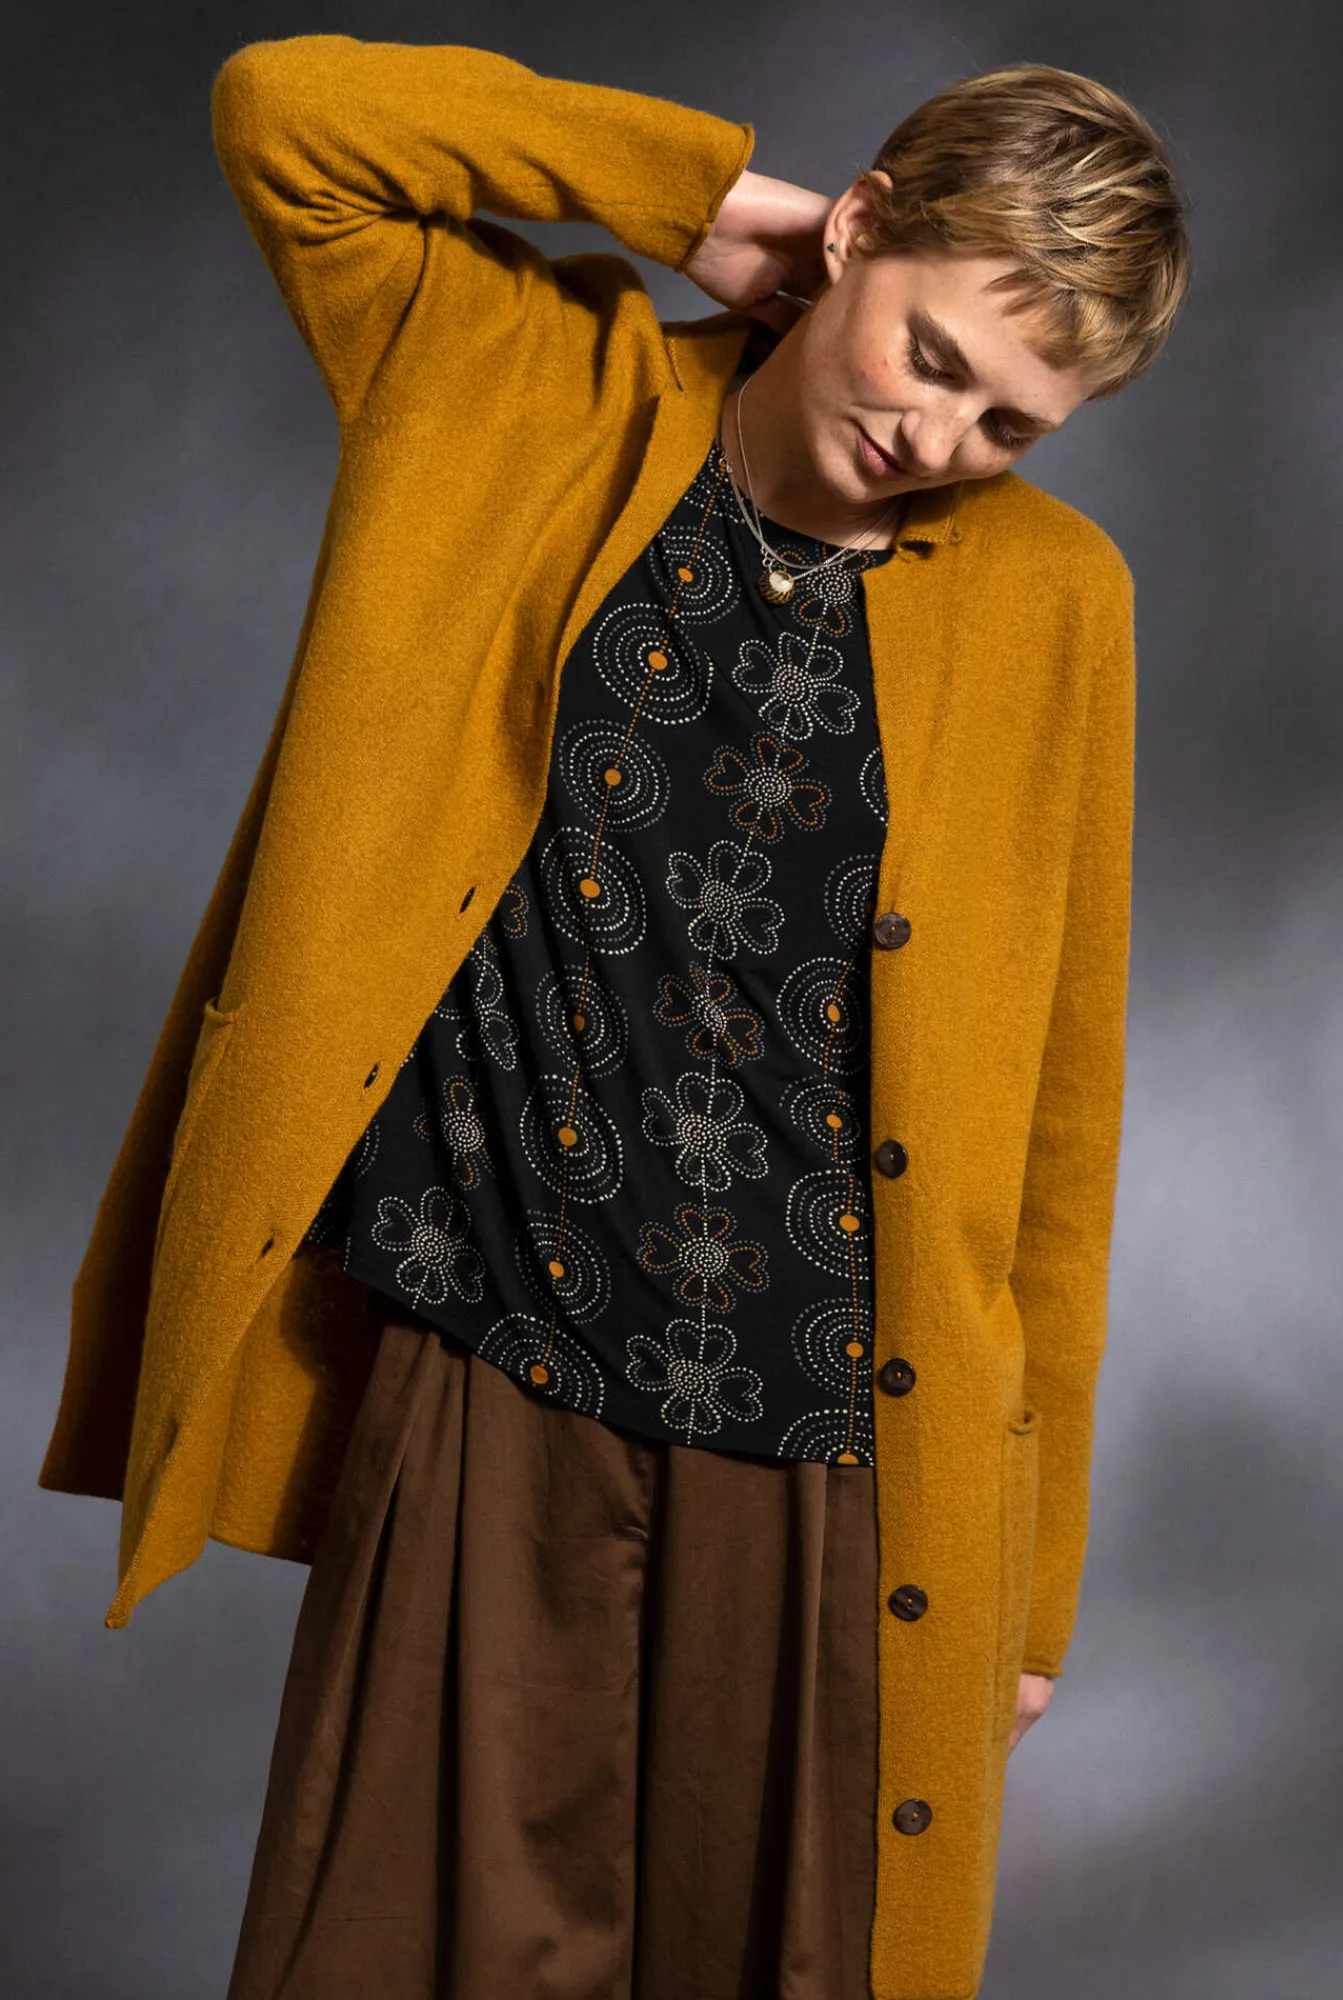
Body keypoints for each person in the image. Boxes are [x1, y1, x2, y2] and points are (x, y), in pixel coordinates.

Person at [37, 32, 1188, 2000]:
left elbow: (1058, 1129)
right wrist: (703, 204)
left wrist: (1026, 1587)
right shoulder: (513, 385)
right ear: (861, 229)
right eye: (931, 356)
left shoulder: (1055, 602)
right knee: (392, 1953)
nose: (938, 437)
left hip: (829, 1428)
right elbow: (289, 117)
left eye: (1010, 421)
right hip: (498, 1349)